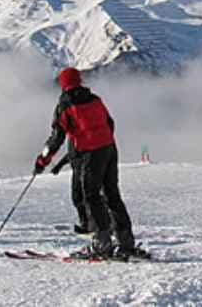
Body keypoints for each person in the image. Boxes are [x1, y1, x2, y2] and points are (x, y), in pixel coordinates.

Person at [34, 67, 144, 259]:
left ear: (62, 84)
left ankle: (102, 244)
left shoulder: (65, 104)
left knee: (91, 196)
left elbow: (56, 138)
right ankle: (126, 242)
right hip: (109, 149)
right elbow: (110, 123)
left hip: (89, 154)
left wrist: (42, 160)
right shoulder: (95, 99)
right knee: (112, 195)